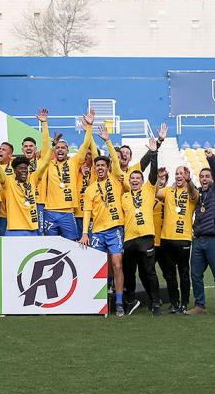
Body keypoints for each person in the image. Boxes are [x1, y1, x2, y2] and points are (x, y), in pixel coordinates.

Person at [81, 124, 127, 316]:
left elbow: (116, 161)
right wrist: (85, 233)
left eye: (103, 165)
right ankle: (99, 302)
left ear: (108, 168)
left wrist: (107, 141)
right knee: (98, 266)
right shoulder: (90, 188)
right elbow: (87, 212)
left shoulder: (116, 179)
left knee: (117, 264)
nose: (100, 168)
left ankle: (119, 303)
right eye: (97, 165)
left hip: (115, 228)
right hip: (98, 232)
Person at [121, 138, 162, 316]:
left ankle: (155, 303)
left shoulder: (148, 190)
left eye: (138, 178)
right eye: (133, 178)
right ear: (129, 181)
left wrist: (154, 153)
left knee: (149, 272)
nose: (135, 180)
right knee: (129, 273)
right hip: (129, 239)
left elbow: (153, 173)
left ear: (143, 180)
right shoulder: (124, 197)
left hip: (146, 237)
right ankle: (130, 301)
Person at [42, 108, 95, 240]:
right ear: (54, 150)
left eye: (63, 148)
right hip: (50, 211)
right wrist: (44, 124)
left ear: (67, 150)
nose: (60, 150)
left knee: (72, 244)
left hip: (68, 212)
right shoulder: (48, 163)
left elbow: (85, 145)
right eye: (57, 147)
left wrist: (89, 126)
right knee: (50, 245)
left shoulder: (74, 162)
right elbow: (44, 145)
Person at [187, 148, 215, 316]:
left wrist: (211, 159)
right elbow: (190, 191)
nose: (204, 179)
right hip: (199, 240)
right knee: (195, 274)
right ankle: (200, 306)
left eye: (207, 176)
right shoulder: (200, 194)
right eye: (202, 176)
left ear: (212, 179)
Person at [156, 164, 199, 314]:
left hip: (183, 239)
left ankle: (184, 304)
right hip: (166, 238)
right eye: (177, 173)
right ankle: (174, 303)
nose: (179, 176)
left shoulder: (193, 193)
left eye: (182, 173)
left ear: (186, 175)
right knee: (169, 273)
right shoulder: (168, 191)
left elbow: (194, 193)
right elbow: (154, 193)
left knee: (183, 272)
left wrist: (190, 181)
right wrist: (158, 178)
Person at [0, 134, 51, 236]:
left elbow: (45, 164)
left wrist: (52, 147)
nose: (24, 171)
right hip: (14, 229)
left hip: (32, 229)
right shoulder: (8, 181)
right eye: (21, 168)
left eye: (25, 168)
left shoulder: (32, 178)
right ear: (14, 170)